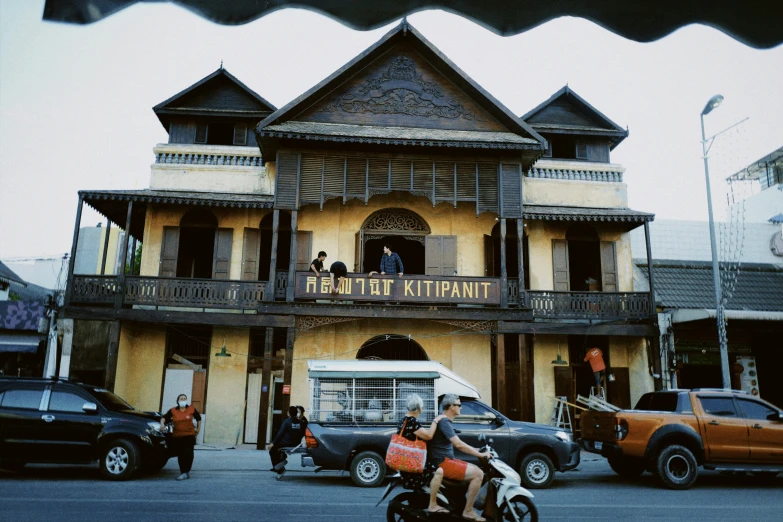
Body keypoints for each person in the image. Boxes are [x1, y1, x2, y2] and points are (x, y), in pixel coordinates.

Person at [427, 393, 489, 521]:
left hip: (447, 460)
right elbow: (458, 444)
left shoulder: (445, 421)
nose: (461, 407)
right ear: (451, 407)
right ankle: (468, 511)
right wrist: (480, 454)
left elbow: (456, 443)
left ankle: (460, 504)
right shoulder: (444, 421)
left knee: (475, 469)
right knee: (478, 474)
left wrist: (477, 449)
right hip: (443, 463)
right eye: (459, 405)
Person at [395, 394, 446, 508]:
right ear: (419, 408)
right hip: (413, 465)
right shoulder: (412, 422)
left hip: (405, 462)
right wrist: (435, 421)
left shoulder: (403, 421)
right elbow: (428, 435)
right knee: (439, 471)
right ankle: (433, 504)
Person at [161, 393, 201, 481]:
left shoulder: (191, 409)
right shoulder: (173, 410)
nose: (183, 400)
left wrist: (198, 429)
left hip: (189, 435)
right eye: (181, 399)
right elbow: (164, 417)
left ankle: (186, 471)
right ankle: (183, 472)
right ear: (178, 401)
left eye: (184, 399)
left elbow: (198, 418)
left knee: (189, 454)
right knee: (181, 454)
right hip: (178, 436)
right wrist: (162, 424)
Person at [269, 406, 304, 480]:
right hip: (296, 444)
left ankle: (279, 466)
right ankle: (280, 464)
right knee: (278, 451)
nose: (287, 412)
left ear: (289, 413)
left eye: (287, 411)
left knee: (272, 450)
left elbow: (280, 434)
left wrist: (273, 443)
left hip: (285, 443)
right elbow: (302, 434)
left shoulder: (287, 422)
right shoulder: (301, 423)